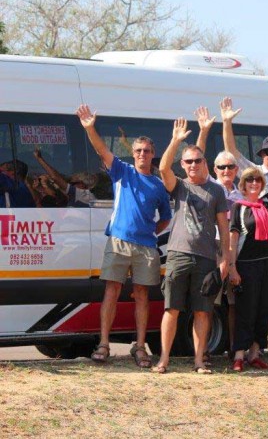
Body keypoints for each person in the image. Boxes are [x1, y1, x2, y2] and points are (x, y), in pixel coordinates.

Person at [75, 104, 172, 368]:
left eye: (147, 151)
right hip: (117, 240)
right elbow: (101, 150)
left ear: (153, 155)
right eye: (138, 150)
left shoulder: (159, 185)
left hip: (146, 247)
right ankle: (104, 344)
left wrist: (152, 232)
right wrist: (89, 128)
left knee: (142, 295)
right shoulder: (122, 171)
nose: (142, 154)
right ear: (133, 153)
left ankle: (140, 347)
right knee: (112, 291)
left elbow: (165, 217)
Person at [153, 118, 230, 374]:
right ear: (183, 165)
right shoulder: (180, 186)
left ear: (205, 163)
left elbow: (223, 228)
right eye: (188, 162)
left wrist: (225, 260)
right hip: (178, 255)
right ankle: (163, 360)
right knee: (171, 309)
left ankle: (199, 361)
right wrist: (175, 141)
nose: (193, 165)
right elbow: (163, 168)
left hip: (206, 258)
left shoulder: (217, 191)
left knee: (202, 312)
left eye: (198, 160)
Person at [220, 97, 268, 360]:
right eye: (249, 181)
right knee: (245, 307)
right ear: (245, 182)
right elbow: (230, 151)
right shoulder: (240, 204)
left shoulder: (266, 201)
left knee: (265, 308)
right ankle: (238, 353)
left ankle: (256, 351)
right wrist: (227, 122)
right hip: (247, 262)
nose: (253, 184)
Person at [194, 104, 243, 362]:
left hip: (235, 252)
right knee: (209, 301)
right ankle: (204, 351)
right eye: (221, 167)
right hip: (211, 251)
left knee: (234, 304)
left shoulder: (242, 193)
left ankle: (235, 350)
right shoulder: (210, 186)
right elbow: (196, 158)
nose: (226, 171)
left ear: (236, 170)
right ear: (214, 170)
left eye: (230, 168)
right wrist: (204, 131)